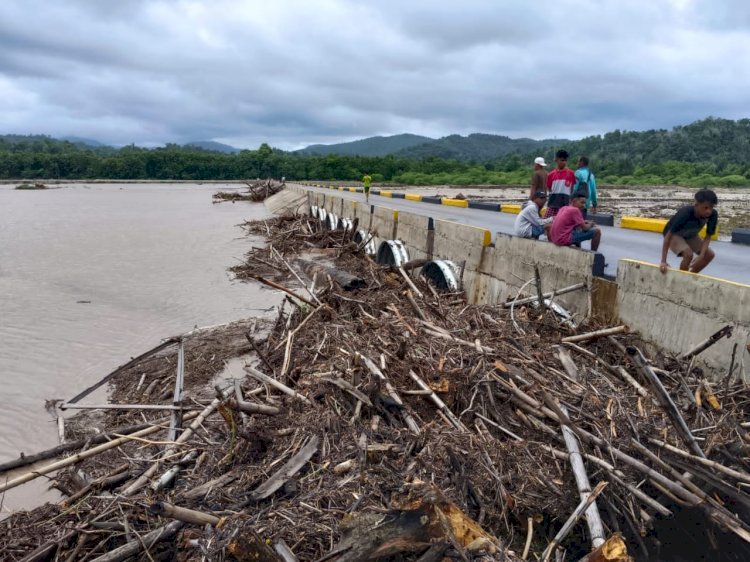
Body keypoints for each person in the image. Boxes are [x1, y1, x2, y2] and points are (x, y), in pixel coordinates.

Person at [660, 189, 718, 274]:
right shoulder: (685, 213)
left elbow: (708, 236)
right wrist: (663, 261)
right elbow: (668, 236)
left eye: (711, 207)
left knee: (709, 255)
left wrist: (701, 256)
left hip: (690, 234)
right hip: (675, 234)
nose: (708, 211)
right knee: (688, 254)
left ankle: (690, 276)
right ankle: (682, 278)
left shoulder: (713, 215)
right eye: (705, 208)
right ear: (696, 205)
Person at [545, 149, 576, 218]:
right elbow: (549, 189)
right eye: (562, 160)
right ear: (556, 160)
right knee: (548, 223)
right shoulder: (551, 175)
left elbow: (572, 189)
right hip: (553, 204)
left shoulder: (571, 174)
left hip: (565, 205)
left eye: (565, 160)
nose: (564, 162)